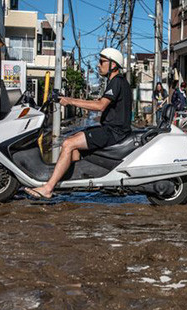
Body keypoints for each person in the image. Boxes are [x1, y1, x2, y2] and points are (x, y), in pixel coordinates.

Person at [24, 48, 132, 199]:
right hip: (110, 129)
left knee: (69, 143)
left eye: (102, 62)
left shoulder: (117, 82)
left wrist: (70, 101)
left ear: (113, 65)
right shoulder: (116, 82)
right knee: (73, 142)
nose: (99, 65)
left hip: (114, 132)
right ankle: (71, 184)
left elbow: (100, 105)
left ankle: (48, 188)